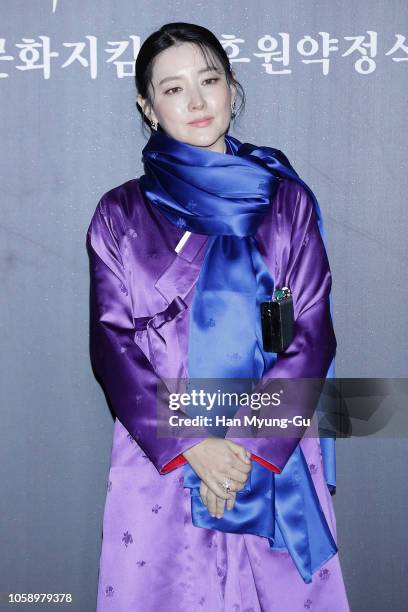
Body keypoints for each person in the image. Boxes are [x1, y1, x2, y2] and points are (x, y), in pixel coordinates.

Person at [86, 22, 350, 612]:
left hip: (270, 444)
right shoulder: (119, 214)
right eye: (173, 88)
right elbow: (113, 345)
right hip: (164, 448)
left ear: (233, 87)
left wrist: (245, 442)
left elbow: (310, 328)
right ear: (147, 107)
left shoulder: (286, 199)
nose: (198, 101)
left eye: (209, 80)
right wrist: (194, 443)